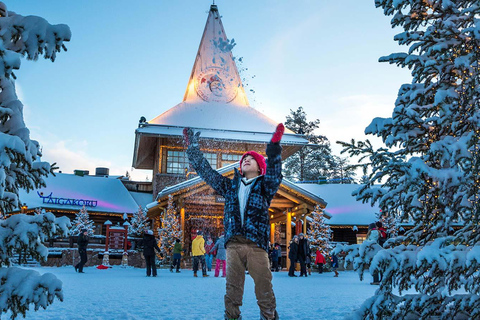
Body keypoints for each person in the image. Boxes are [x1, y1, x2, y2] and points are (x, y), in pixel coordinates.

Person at [184, 124, 284, 320]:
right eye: (244, 159)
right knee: (233, 288)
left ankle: (269, 317)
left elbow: (274, 172)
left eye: (252, 159)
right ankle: (231, 317)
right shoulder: (230, 186)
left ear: (260, 167)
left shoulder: (265, 186)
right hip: (234, 245)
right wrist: (193, 149)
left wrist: (273, 147)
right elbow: (207, 173)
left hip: (257, 245)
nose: (247, 160)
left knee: (264, 286)